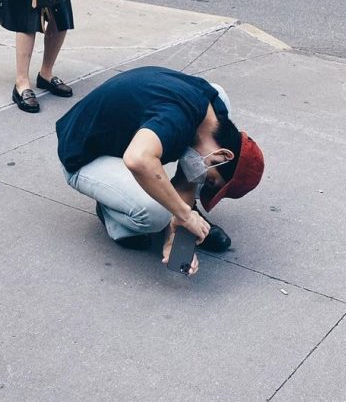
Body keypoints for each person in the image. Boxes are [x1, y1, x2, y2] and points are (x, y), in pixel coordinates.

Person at [56, 66, 264, 274]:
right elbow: (137, 159)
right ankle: (110, 212)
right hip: (85, 155)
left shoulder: (213, 113)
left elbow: (189, 178)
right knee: (156, 212)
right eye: (211, 182)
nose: (203, 182)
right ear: (224, 155)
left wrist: (174, 236)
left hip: (123, 138)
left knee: (214, 108)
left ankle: (166, 210)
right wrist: (185, 215)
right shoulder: (175, 116)